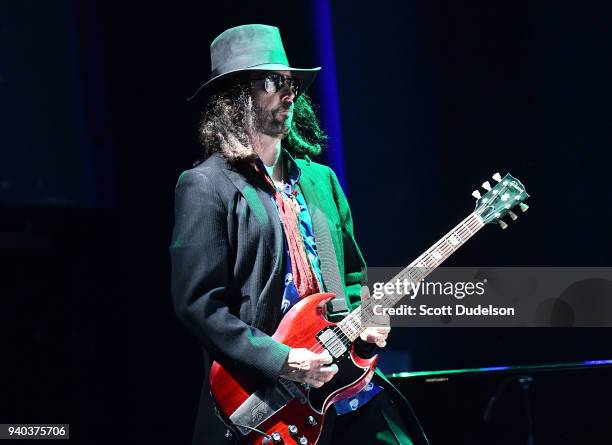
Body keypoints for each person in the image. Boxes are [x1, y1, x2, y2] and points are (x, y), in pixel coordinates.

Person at [170, 24, 428, 445]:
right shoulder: (205, 185)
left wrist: (371, 316)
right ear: (237, 97)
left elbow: (354, 278)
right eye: (273, 81)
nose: (289, 93)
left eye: (292, 82)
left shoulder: (321, 179)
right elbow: (198, 305)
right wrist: (283, 360)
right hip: (270, 401)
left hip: (346, 389)